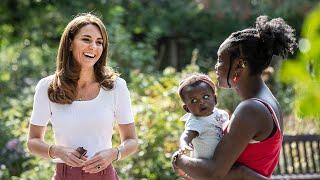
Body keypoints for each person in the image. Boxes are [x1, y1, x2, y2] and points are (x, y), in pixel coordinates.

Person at [172, 15, 297, 179]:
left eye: (220, 60)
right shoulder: (267, 101)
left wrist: (178, 160)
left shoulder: (251, 108)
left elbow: (213, 174)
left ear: (240, 65)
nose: (216, 67)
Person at [27, 13, 138, 180]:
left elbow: (132, 141)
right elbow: (33, 141)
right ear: (70, 44)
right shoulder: (48, 87)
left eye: (99, 42)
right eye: (86, 39)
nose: (93, 46)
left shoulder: (116, 87)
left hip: (104, 176)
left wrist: (115, 153)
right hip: (64, 175)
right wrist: (56, 151)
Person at [177, 73, 229, 160]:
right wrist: (184, 145)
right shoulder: (196, 122)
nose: (201, 102)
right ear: (187, 108)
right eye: (193, 100)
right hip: (205, 165)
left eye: (205, 96)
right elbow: (186, 136)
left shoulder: (222, 114)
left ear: (215, 99)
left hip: (223, 161)